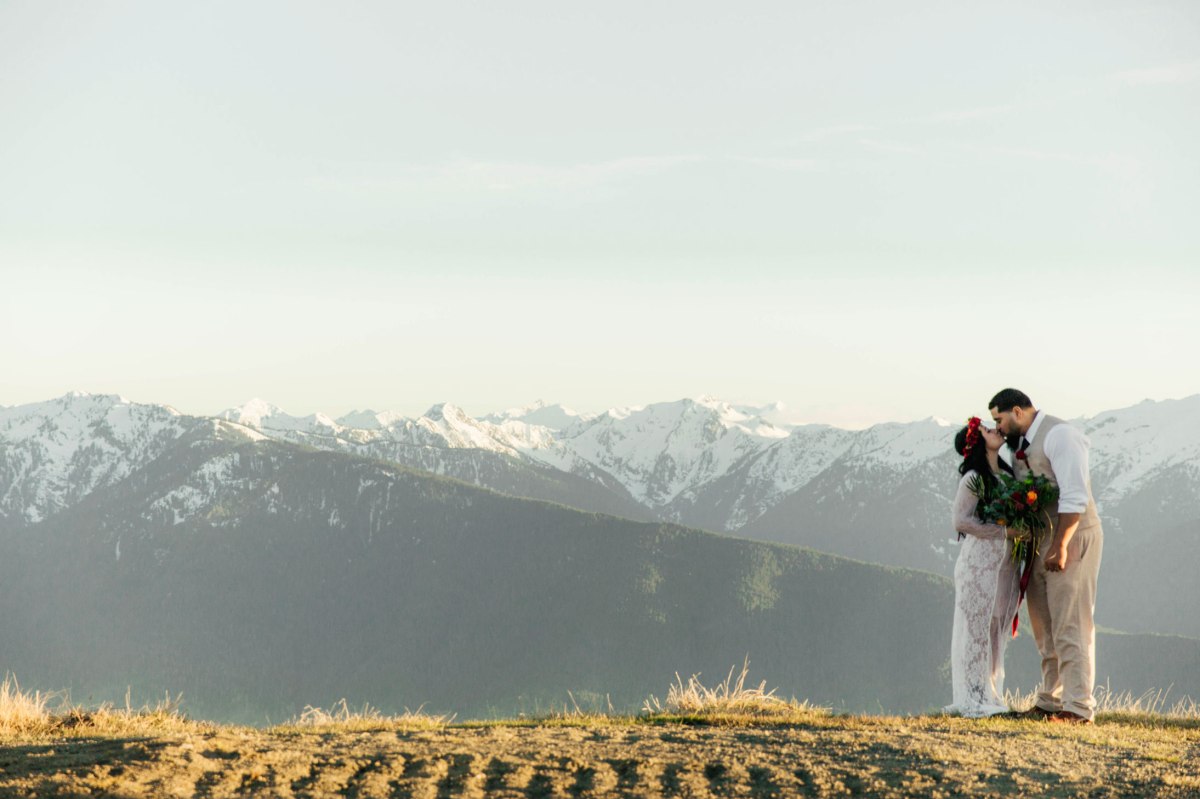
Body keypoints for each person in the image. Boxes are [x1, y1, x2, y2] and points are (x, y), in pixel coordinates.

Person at [989, 388, 1104, 724]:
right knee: (1044, 625)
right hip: (1041, 542)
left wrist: (1062, 544)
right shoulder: (1021, 445)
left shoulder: (1061, 436)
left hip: (1071, 538)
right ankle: (1051, 700)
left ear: (1018, 411)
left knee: (1072, 622)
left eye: (1000, 419)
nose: (998, 426)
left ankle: (1079, 707)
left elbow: (1074, 495)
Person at [946, 416, 1024, 717]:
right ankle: (973, 695)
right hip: (979, 562)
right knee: (976, 629)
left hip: (1006, 564)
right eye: (988, 430)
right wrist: (1005, 532)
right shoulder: (973, 479)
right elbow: (961, 521)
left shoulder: (1005, 475)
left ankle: (991, 691)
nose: (996, 430)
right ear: (978, 442)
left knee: (997, 628)